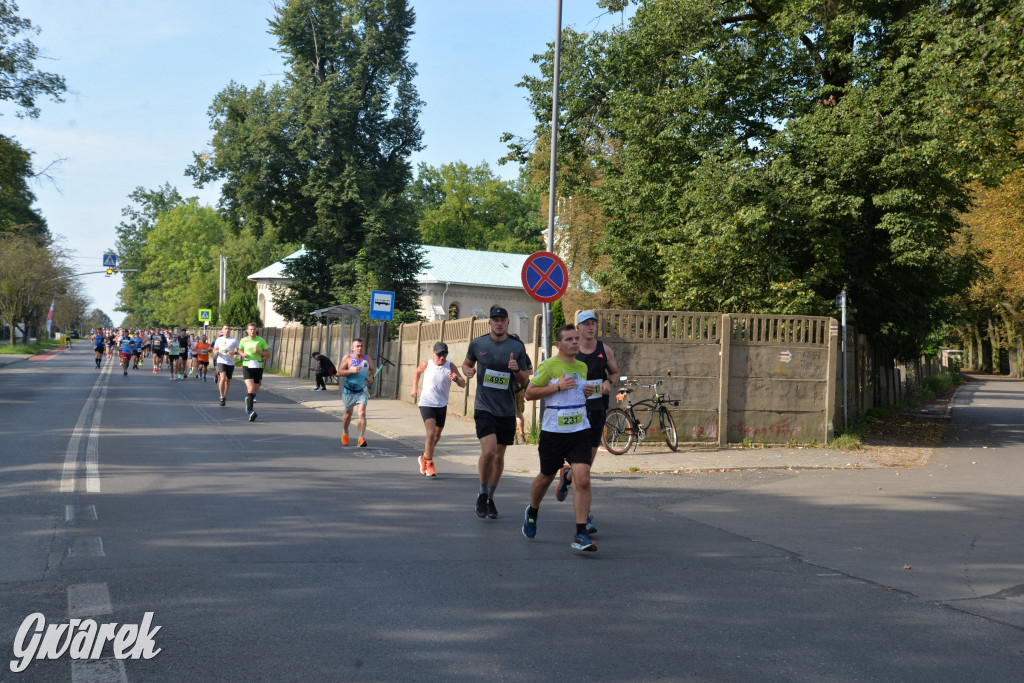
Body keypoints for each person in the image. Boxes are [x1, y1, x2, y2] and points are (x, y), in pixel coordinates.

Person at [522, 324, 598, 552]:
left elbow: (579, 391)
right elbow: (529, 393)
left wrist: (587, 392)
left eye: (576, 339)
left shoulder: (583, 366)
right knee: (546, 477)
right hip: (554, 433)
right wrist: (557, 386)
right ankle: (532, 510)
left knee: (583, 479)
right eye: (569, 339)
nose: (575, 342)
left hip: (580, 430)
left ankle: (581, 533)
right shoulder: (548, 366)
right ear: (558, 344)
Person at [553, 310, 619, 536]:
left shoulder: (604, 350)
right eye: (586, 324)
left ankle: (567, 476)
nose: (591, 327)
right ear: (577, 328)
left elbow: (615, 372)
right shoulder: (571, 352)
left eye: (594, 324)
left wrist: (609, 381)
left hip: (597, 410)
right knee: (584, 472)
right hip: (574, 412)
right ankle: (585, 518)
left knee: (586, 469)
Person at [462, 306, 531, 520]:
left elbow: (526, 380)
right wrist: (468, 371)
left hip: (507, 409)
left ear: (508, 322)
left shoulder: (516, 346)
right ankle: (482, 494)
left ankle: (490, 497)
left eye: (502, 319)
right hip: (484, 406)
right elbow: (466, 364)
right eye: (495, 319)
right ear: (490, 322)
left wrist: (516, 370)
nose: (499, 323)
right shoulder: (478, 343)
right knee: (489, 451)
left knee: (500, 455)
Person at [410, 341, 466, 477]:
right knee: (430, 434)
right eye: (440, 354)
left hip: (441, 405)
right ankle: (429, 463)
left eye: (445, 354)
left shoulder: (450, 366)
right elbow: (417, 372)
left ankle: (423, 457)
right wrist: (414, 388)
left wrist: (456, 379)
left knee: (437, 435)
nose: (442, 357)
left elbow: (463, 383)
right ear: (434, 353)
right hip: (427, 403)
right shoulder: (426, 364)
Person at [339, 339, 375, 446]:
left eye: (361, 346)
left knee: (362, 413)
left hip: (362, 390)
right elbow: (340, 372)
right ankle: (345, 432)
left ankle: (361, 438)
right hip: (349, 391)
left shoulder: (367, 358)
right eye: (357, 346)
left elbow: (372, 369)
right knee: (347, 414)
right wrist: (351, 371)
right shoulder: (348, 358)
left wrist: (371, 376)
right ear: (352, 347)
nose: (360, 348)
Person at [235, 322, 270, 422]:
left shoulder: (260, 340)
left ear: (256, 330)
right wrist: (242, 354)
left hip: (258, 366)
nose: (252, 331)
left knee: (256, 387)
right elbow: (239, 349)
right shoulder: (243, 340)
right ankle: (251, 411)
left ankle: (249, 399)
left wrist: (260, 353)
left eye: (254, 329)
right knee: (250, 387)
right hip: (247, 366)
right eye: (250, 329)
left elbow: (268, 353)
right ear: (247, 330)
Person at [213, 324, 239, 407]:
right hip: (221, 361)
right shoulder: (218, 340)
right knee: (223, 378)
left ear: (230, 330)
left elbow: (239, 351)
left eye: (228, 329)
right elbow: (215, 349)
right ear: (222, 330)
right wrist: (215, 352)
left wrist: (233, 353)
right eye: (225, 329)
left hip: (230, 362)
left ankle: (224, 395)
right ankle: (221, 396)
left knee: (228, 380)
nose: (227, 330)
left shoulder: (234, 340)